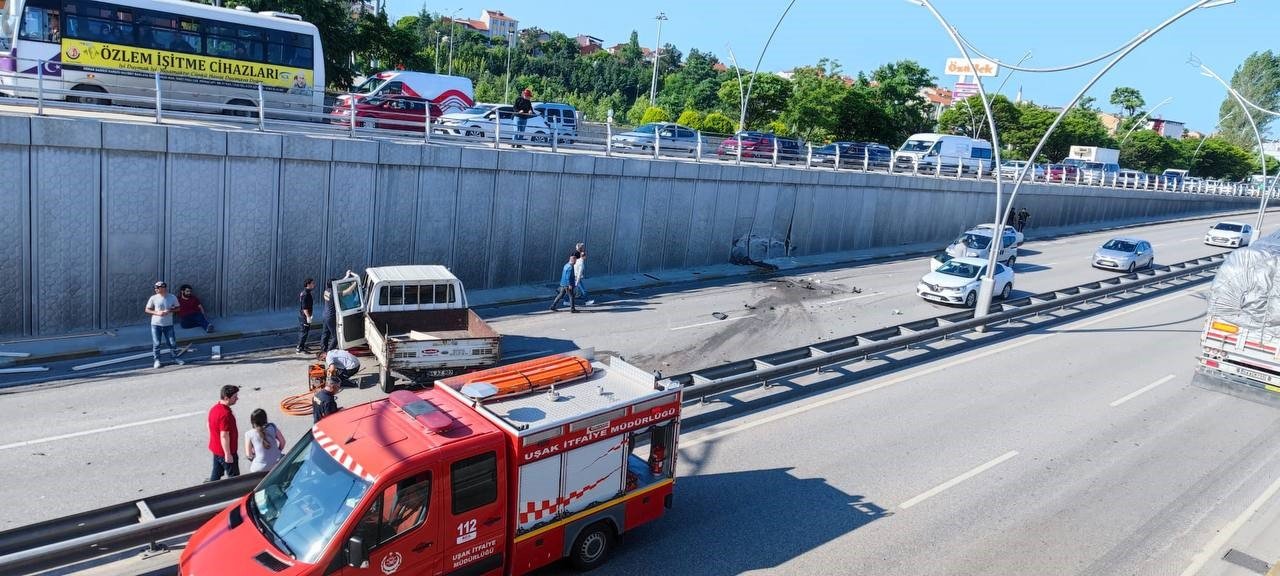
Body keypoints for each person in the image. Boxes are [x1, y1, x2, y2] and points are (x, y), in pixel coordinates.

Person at [145, 281, 184, 369]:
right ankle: (157, 360)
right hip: (156, 324)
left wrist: (169, 311)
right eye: (156, 288)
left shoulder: (172, 297)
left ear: (163, 288)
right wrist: (156, 313)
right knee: (157, 343)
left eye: (158, 288)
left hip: (168, 324)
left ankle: (175, 358)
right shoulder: (153, 298)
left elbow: (178, 308)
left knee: (172, 342)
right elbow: (147, 309)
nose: (156, 290)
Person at [208, 385, 240, 481]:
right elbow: (224, 435)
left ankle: (209, 492)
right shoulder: (225, 414)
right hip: (225, 451)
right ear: (226, 398)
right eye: (234, 397)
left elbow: (208, 425)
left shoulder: (214, 408)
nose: (237, 398)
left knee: (216, 475)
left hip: (216, 449)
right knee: (234, 478)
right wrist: (228, 454)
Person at [245, 408, 286, 472]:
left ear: (252, 421)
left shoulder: (249, 434)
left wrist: (254, 456)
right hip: (277, 463)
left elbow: (248, 454)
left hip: (260, 468)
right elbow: (282, 442)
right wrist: (278, 451)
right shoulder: (272, 427)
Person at [296, 278, 314, 354]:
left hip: (304, 315)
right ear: (308, 284)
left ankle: (302, 345)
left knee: (304, 331)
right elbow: (304, 307)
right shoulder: (306, 294)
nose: (314, 285)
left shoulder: (305, 292)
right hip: (304, 316)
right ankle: (300, 348)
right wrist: (308, 317)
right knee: (304, 332)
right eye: (312, 283)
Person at [320, 279, 338, 352]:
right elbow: (347, 292)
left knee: (325, 333)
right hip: (331, 316)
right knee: (336, 336)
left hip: (325, 314)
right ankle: (329, 352)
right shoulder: (334, 294)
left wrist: (346, 276)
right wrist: (355, 284)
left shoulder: (326, 291)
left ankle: (323, 349)